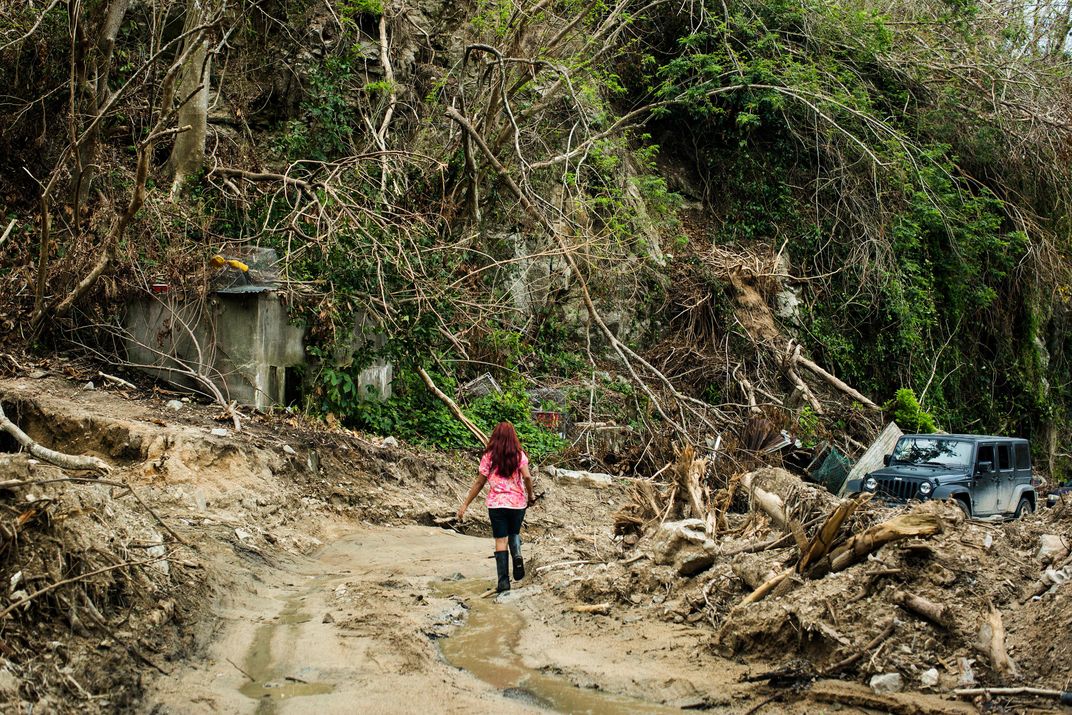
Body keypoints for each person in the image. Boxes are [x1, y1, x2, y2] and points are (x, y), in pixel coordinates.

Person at [456, 421, 535, 593]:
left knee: (501, 539)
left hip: (497, 504)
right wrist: (531, 496)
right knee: (514, 533)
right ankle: (517, 556)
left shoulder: (489, 456)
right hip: (517, 504)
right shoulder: (519, 455)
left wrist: (465, 504)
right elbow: (527, 477)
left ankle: (503, 582)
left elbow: (479, 482)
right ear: (513, 437)